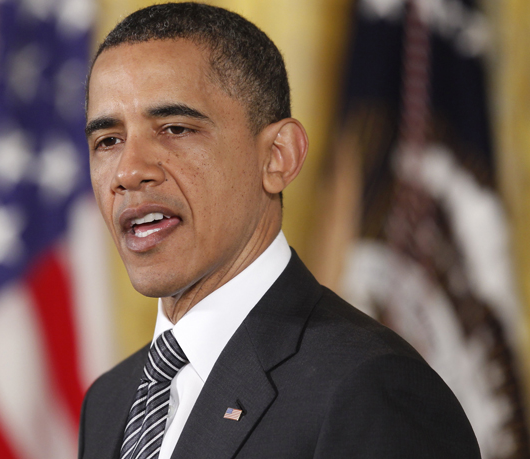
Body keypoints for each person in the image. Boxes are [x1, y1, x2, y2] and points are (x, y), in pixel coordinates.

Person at [79, 3, 480, 459]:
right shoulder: (110, 402)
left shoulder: (371, 388)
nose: (128, 171)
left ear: (278, 157)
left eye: (174, 128)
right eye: (107, 141)